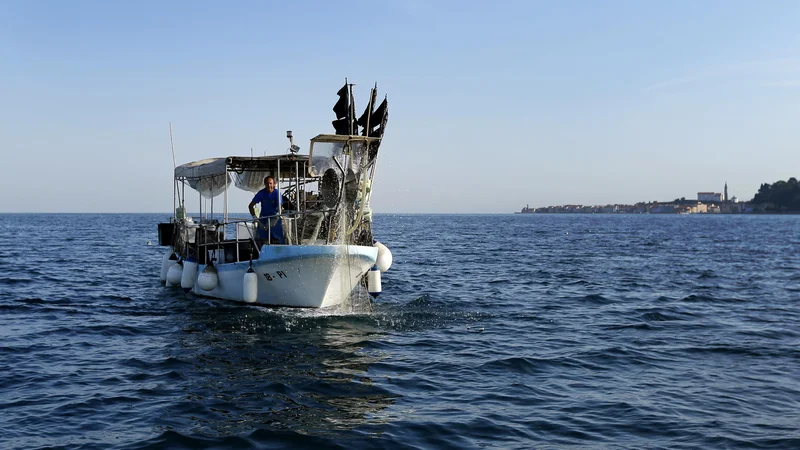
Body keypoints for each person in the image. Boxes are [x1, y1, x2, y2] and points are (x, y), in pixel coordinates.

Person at [248, 176, 283, 243]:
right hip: (263, 220)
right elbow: (250, 206)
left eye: (270, 183)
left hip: (275, 220)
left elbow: (280, 208)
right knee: (261, 239)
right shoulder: (261, 193)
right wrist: (255, 218)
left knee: (277, 239)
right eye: (267, 183)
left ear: (274, 184)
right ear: (264, 184)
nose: (269, 185)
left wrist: (275, 219)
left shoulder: (277, 193)